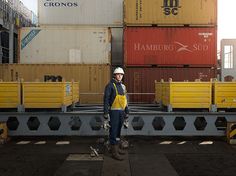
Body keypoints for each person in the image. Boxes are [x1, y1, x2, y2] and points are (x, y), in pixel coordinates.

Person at [103, 67, 129, 161]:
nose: (120, 76)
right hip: (113, 112)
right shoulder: (110, 86)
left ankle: (117, 149)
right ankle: (114, 152)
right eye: (118, 74)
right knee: (113, 131)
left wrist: (127, 112)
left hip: (121, 112)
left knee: (118, 131)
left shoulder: (123, 86)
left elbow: (125, 100)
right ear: (114, 75)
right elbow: (106, 100)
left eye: (121, 74)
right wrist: (106, 113)